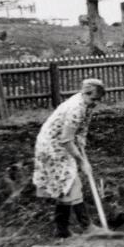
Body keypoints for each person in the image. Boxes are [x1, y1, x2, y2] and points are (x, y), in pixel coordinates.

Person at [33, 78, 106, 238]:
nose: (95, 103)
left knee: (65, 185)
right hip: (52, 145)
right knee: (71, 182)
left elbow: (83, 126)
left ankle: (62, 231)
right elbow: (65, 140)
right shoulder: (75, 108)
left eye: (98, 100)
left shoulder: (87, 104)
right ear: (84, 94)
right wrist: (82, 161)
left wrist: (82, 138)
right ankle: (87, 227)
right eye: (93, 99)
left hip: (61, 143)